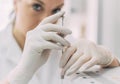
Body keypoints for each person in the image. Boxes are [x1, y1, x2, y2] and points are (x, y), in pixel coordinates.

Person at [0, 0, 119, 84]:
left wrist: (110, 60)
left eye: (56, 10)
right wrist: (21, 74)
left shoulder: (66, 47)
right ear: (15, 2)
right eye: (37, 7)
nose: (46, 21)